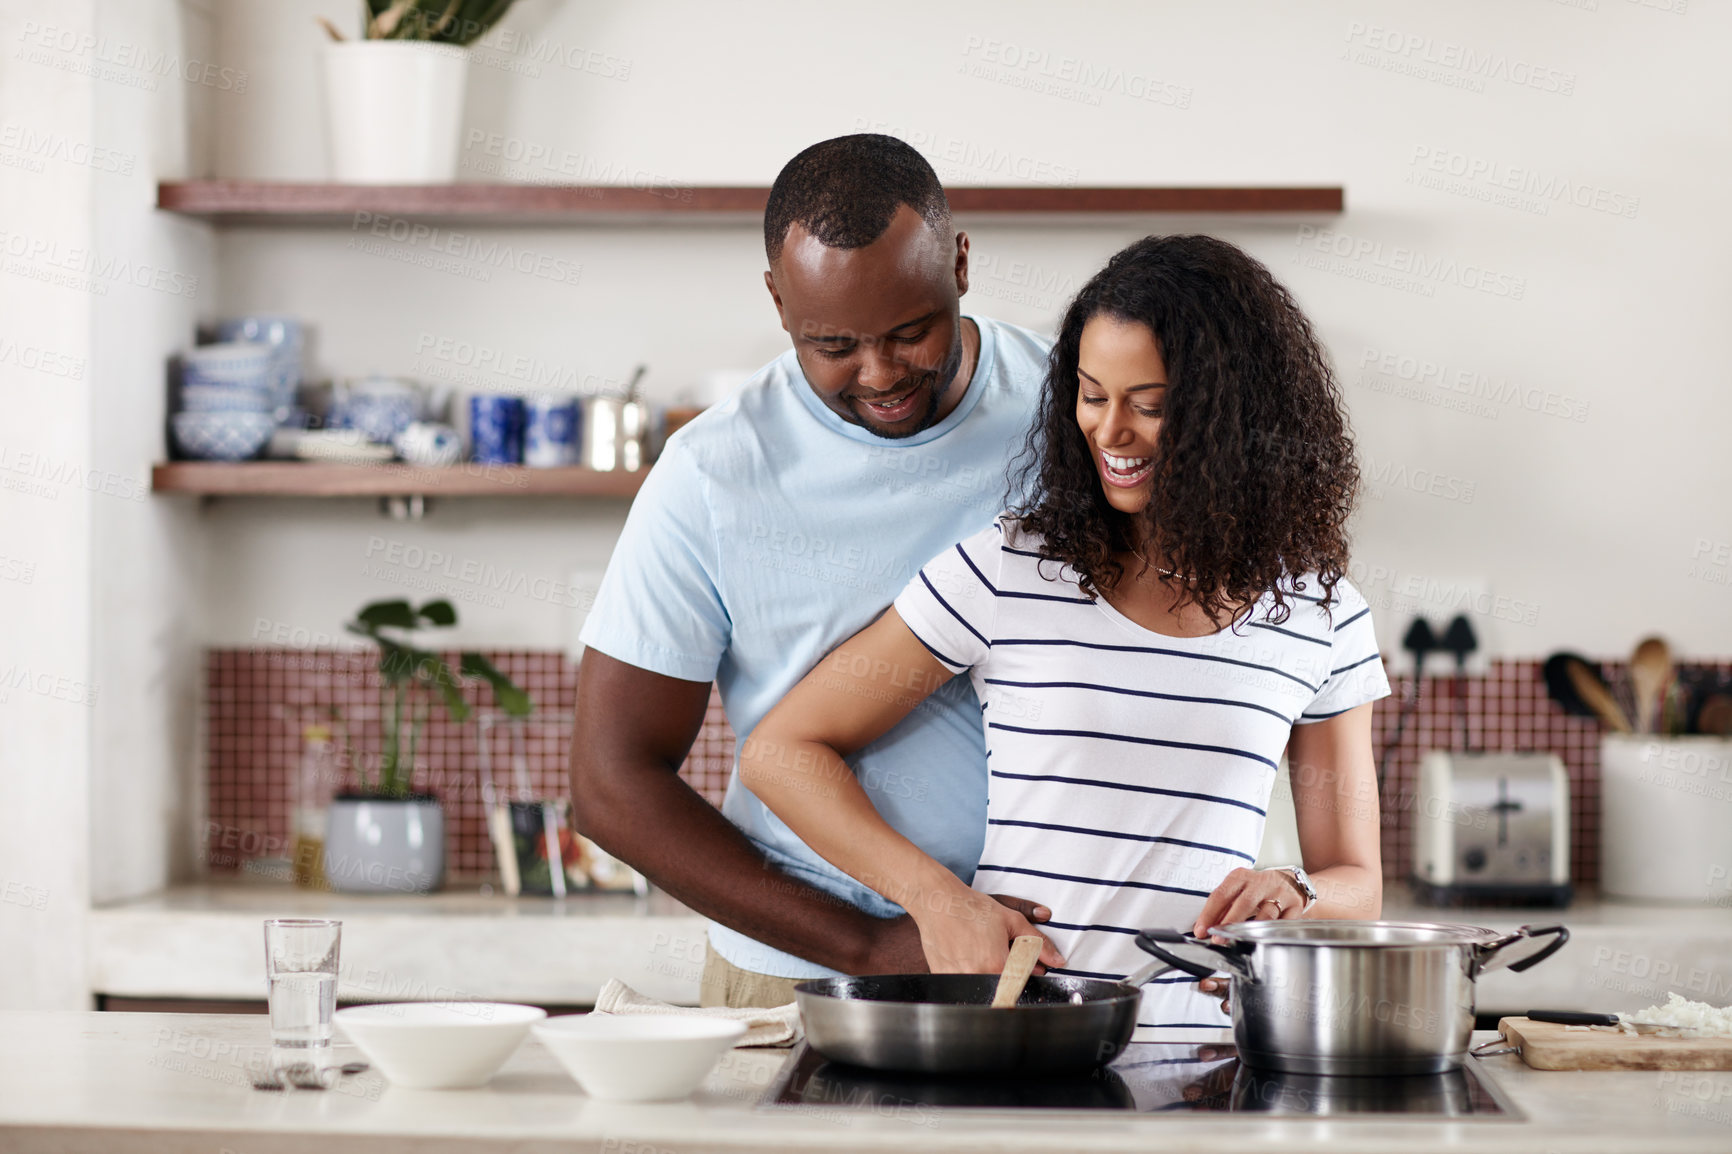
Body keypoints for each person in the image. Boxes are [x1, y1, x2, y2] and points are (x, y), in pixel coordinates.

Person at [740, 234, 1389, 1026]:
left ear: (1234, 417)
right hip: (1021, 1040)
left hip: (1209, 1061)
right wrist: (936, 901)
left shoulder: (1321, 614)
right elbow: (782, 753)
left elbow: (1356, 882)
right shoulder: (1010, 567)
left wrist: (1295, 892)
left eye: (1149, 405)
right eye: (1091, 394)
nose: (1110, 431)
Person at [570, 135, 1056, 1008]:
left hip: (1054, 957)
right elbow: (611, 787)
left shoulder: (1080, 415)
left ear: (961, 263)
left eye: (912, 333)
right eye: (832, 345)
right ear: (776, 298)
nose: (880, 376)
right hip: (802, 977)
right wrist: (872, 945)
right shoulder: (715, 471)